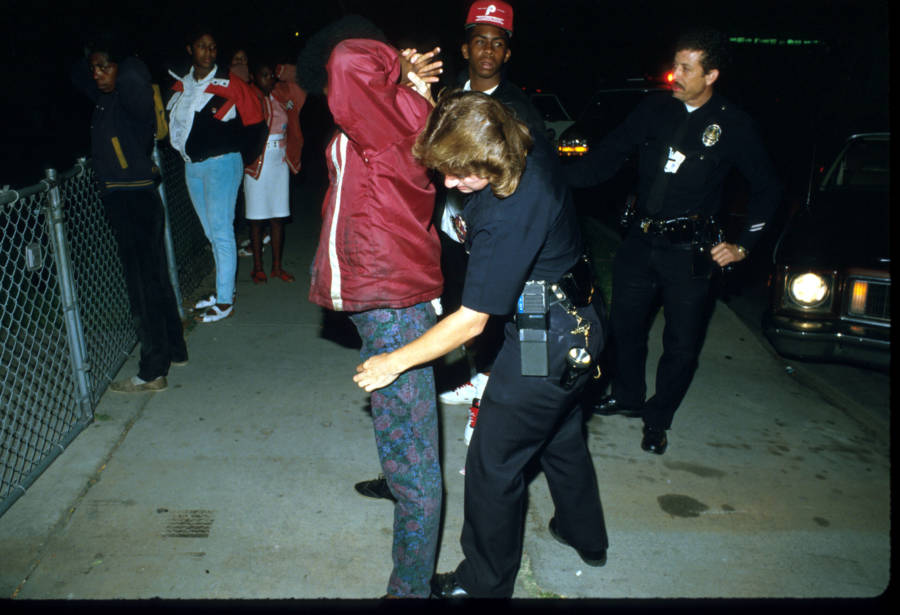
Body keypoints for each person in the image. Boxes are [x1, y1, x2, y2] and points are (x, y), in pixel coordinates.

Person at [355, 90, 610, 599]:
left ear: (489, 157)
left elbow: (471, 322)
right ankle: (585, 534)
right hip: (578, 320)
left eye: (457, 172)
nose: (447, 183)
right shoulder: (525, 142)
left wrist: (393, 361)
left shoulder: (506, 210)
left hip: (546, 335)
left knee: (493, 466)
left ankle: (483, 585)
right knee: (558, 432)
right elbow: (470, 119)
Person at [565, 29, 782, 454]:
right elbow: (605, 159)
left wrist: (743, 245)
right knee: (624, 328)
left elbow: (768, 190)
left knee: (680, 343)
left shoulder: (733, 124)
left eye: (686, 68)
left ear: (711, 74)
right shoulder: (653, 111)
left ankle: (658, 416)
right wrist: (550, 179)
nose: (674, 74)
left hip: (690, 252)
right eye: (675, 64)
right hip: (640, 242)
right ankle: (628, 395)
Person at [297, 15, 445, 598]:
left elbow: (346, 62)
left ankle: (408, 591)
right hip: (380, 298)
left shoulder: (392, 117)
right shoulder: (395, 113)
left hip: (393, 302)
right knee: (401, 444)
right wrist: (403, 78)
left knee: (414, 465)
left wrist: (395, 64)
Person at [436, 0, 546, 411]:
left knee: (491, 311)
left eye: (497, 43)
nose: (487, 51)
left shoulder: (517, 109)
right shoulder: (447, 95)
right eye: (479, 41)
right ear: (464, 49)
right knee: (456, 301)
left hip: (491, 228)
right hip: (449, 224)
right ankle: (475, 371)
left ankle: (488, 388)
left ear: (507, 52)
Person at [71, 36, 188, 393]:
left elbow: (135, 73)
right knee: (154, 278)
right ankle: (175, 349)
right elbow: (76, 75)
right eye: (95, 68)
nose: (98, 75)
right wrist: (90, 54)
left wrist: (120, 58)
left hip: (132, 198)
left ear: (120, 68)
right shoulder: (108, 99)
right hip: (131, 196)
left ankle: (152, 371)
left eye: (105, 67)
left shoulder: (131, 93)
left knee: (142, 287)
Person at [166, 27, 266, 323]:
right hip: (192, 166)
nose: (208, 52)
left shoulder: (231, 83)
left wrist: (239, 157)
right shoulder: (180, 84)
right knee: (211, 232)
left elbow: (257, 122)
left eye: (212, 47)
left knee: (221, 231)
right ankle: (225, 290)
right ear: (190, 49)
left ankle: (224, 301)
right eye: (202, 46)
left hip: (222, 164)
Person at [242, 57, 306, 284]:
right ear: (253, 77)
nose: (269, 79)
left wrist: (282, 70)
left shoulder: (282, 93)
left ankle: (277, 267)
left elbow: (302, 81)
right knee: (257, 220)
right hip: (257, 163)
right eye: (264, 75)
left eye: (271, 75)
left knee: (278, 218)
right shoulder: (248, 95)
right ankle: (257, 267)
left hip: (280, 161)